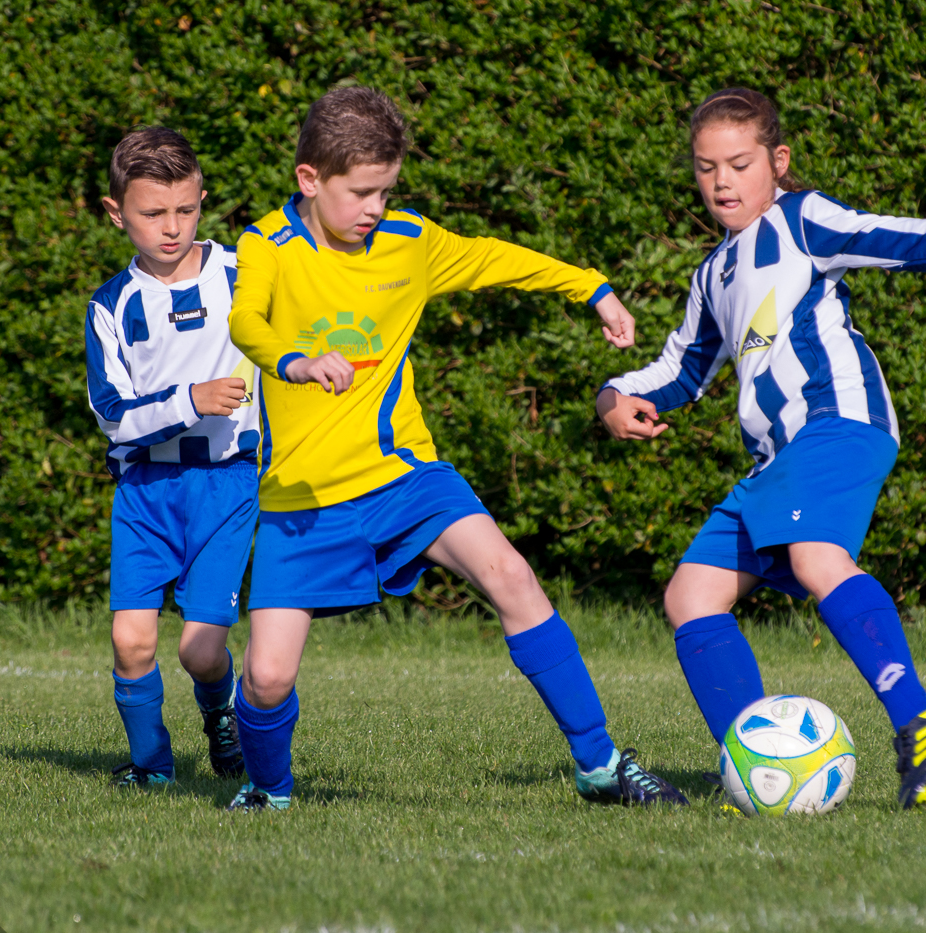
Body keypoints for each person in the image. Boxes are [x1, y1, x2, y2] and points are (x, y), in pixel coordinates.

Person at [597, 87, 926, 809]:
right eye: (706, 168)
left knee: (817, 558)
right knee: (691, 595)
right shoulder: (713, 273)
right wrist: (615, 398)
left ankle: (919, 716)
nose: (722, 181)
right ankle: (751, 759)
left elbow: (891, 236)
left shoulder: (801, 219)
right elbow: (682, 369)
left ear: (778, 161)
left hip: (836, 421)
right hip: (776, 463)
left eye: (740, 164)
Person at [224, 86, 686, 811]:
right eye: (361, 192)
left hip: (404, 475)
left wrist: (593, 290)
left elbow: (497, 259)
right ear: (309, 179)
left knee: (512, 575)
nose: (375, 207)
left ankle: (600, 766)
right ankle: (268, 791)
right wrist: (296, 362)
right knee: (267, 678)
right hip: (303, 500)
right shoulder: (266, 246)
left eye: (386, 190)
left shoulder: (409, 242)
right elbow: (245, 320)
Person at [85, 127, 260, 786]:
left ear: (202, 201)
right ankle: (152, 768)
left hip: (226, 484)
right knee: (130, 642)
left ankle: (222, 717)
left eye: (186, 209)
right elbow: (113, 417)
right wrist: (191, 399)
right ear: (116, 212)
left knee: (200, 650)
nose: (172, 227)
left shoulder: (245, 275)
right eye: (153, 212)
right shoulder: (111, 306)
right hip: (145, 493)